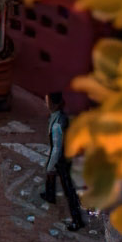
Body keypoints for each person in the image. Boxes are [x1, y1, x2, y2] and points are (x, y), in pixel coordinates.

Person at [42, 91, 87, 232]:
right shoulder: (59, 116)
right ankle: (50, 195)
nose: (46, 104)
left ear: (53, 104)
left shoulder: (58, 123)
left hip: (62, 158)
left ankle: (77, 220)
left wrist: (51, 165)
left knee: (68, 190)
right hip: (64, 156)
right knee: (56, 177)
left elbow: (57, 147)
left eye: (47, 101)